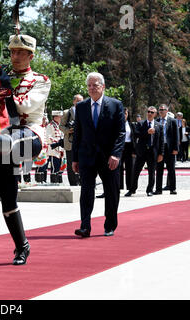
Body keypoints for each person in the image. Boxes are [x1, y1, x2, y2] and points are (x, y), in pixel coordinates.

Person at [0, 33, 51, 264]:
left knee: (8, 141)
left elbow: (24, 106)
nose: (15, 56)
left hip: (29, 135)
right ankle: (21, 245)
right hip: (2, 138)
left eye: (20, 53)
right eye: (12, 52)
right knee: (7, 195)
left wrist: (1, 89)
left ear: (30, 55)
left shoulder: (40, 80)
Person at [72, 72, 125, 238]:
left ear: (103, 87)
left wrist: (116, 154)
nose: (91, 88)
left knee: (111, 191)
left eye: (95, 85)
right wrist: (74, 158)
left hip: (109, 158)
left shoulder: (116, 105)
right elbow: (77, 134)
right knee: (86, 191)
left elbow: (121, 133)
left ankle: (110, 225)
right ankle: (85, 226)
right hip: (87, 156)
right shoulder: (81, 107)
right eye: (89, 85)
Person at [125, 106, 164, 197]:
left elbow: (161, 141)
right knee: (136, 171)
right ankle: (132, 189)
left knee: (151, 172)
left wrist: (161, 154)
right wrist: (147, 132)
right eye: (148, 112)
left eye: (152, 112)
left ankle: (149, 190)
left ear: (155, 114)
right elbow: (137, 135)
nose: (149, 114)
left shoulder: (159, 126)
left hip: (153, 152)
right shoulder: (141, 124)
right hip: (141, 152)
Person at [155, 104, 179, 195]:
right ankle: (158, 189)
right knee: (159, 169)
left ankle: (172, 188)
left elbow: (176, 136)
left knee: (171, 169)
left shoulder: (172, 121)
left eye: (163, 109)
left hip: (170, 149)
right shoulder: (156, 121)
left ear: (167, 110)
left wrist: (176, 148)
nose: (161, 111)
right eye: (160, 109)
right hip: (160, 149)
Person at [60, 94, 83, 186]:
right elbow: (61, 126)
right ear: (74, 102)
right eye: (78, 101)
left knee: (82, 163)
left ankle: (82, 183)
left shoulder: (86, 111)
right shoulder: (67, 112)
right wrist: (68, 130)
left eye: (81, 101)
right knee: (70, 164)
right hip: (70, 142)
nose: (80, 103)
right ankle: (73, 184)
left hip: (82, 142)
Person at [46, 110, 64, 183]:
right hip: (54, 150)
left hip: (60, 149)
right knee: (54, 167)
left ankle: (59, 182)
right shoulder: (50, 125)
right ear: (55, 117)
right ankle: (54, 182)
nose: (61, 118)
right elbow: (48, 137)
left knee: (60, 167)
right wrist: (57, 141)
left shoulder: (59, 125)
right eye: (60, 117)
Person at [120, 107, 136, 192]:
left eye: (125, 113)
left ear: (127, 115)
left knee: (130, 167)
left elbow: (135, 137)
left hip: (129, 147)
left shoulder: (131, 124)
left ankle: (130, 187)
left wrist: (134, 151)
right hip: (119, 147)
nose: (124, 115)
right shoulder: (117, 123)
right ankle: (119, 187)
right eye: (122, 113)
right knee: (119, 167)